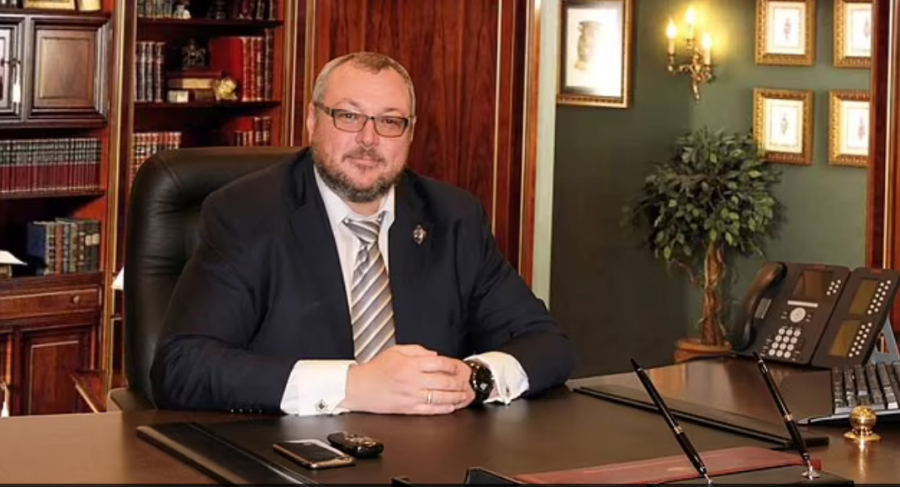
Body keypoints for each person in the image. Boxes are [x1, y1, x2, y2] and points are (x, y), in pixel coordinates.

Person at [150, 52, 575, 416]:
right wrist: (352, 386)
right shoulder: (246, 213)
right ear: (312, 121)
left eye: (390, 121)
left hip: (428, 455)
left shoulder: (453, 217)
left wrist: (474, 378)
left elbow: (548, 345)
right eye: (349, 116)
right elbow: (182, 367)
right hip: (292, 456)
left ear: (410, 133)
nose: (368, 139)